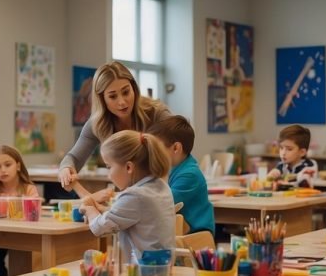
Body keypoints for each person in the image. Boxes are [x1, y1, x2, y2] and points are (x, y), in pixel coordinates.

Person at [58, 62, 170, 191]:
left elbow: (175, 155)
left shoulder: (157, 113)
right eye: (112, 96)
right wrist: (65, 168)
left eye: (126, 92)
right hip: (125, 196)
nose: (122, 102)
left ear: (134, 88)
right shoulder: (97, 123)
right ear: (102, 99)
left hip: (159, 192)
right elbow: (74, 158)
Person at [79, 130, 175, 258]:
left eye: (109, 167)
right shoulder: (160, 186)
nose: (109, 175)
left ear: (129, 167)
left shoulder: (135, 195)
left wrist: (89, 210)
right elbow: (129, 214)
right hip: (163, 265)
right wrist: (101, 209)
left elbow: (100, 228)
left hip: (142, 270)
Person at [145, 115, 214, 235]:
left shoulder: (190, 174)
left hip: (195, 234)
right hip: (178, 231)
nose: (152, 154)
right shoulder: (170, 168)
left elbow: (161, 202)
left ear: (176, 148)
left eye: (156, 149)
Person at [0, 145, 38, 276]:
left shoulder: (28, 188)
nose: (3, 170)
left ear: (18, 166)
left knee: (23, 264)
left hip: (24, 234)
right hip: (0, 234)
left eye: (8, 165)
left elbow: (34, 212)